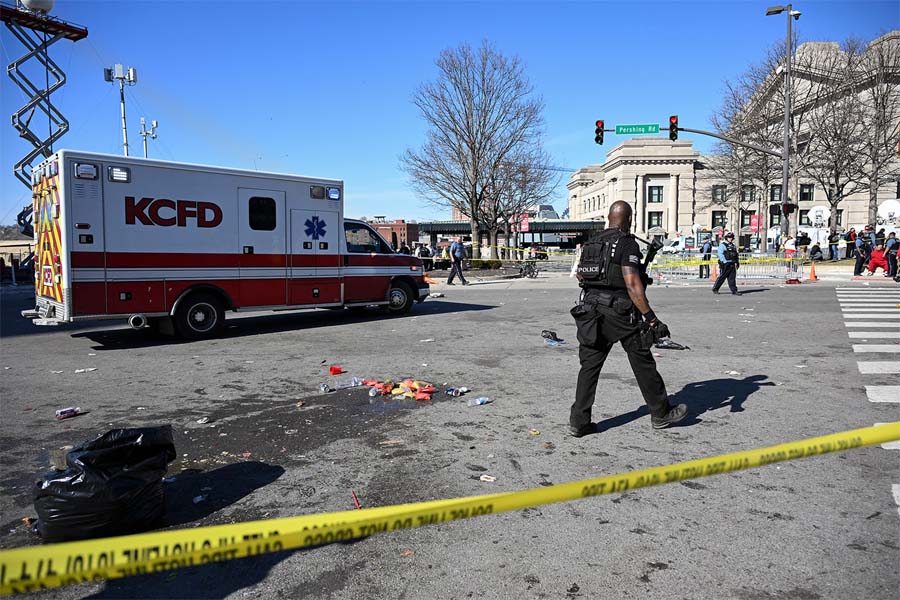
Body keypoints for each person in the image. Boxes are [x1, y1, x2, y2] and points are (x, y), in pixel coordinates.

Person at [569, 201, 687, 437]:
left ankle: (579, 422)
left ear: (608, 217)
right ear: (630, 219)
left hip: (590, 312)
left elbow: (581, 274)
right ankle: (660, 413)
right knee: (643, 362)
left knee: (589, 368)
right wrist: (652, 319)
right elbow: (633, 285)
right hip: (621, 315)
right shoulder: (626, 243)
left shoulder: (592, 243)